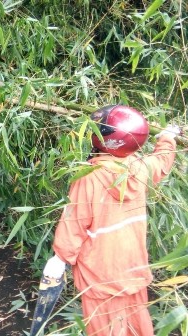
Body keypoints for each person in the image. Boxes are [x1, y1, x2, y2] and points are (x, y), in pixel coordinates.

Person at [43, 105, 179, 335]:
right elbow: (162, 161)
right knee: (138, 325)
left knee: (104, 327)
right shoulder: (140, 168)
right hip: (133, 268)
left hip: (100, 276)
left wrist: (59, 258)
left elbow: (73, 223)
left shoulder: (89, 178)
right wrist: (167, 137)